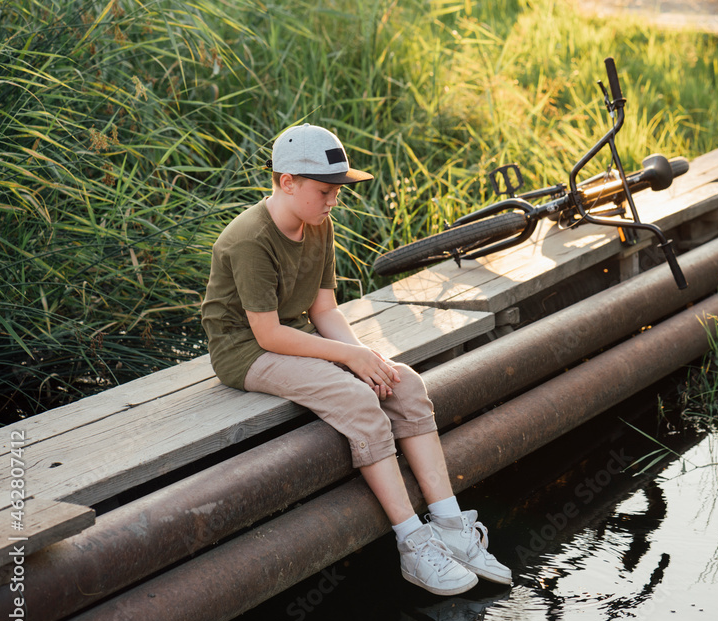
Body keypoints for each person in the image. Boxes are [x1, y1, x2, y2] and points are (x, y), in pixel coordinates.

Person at [201, 123, 511, 595]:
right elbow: (266, 332)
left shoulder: (318, 225)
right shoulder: (250, 239)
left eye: (337, 192)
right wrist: (348, 360)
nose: (332, 202)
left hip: (295, 335)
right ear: (287, 182)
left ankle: (450, 525)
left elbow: (323, 309)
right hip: (246, 350)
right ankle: (413, 543)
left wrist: (366, 357)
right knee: (357, 402)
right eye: (325, 191)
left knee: (403, 383)